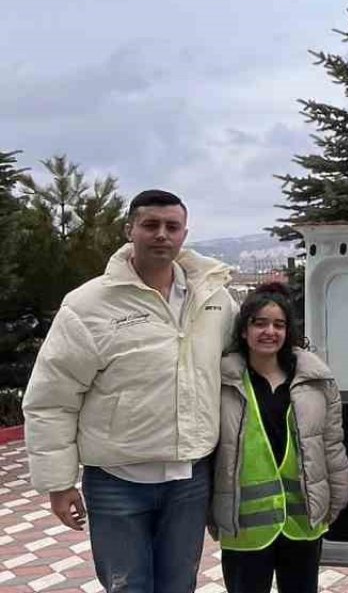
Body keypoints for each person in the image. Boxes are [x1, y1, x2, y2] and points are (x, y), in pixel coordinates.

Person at [23, 190, 238, 593]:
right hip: (116, 483)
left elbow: (241, 365)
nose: (162, 234)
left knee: (179, 586)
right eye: (150, 225)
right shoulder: (89, 305)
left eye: (172, 226)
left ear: (184, 233)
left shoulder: (214, 300)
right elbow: (52, 400)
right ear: (129, 231)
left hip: (190, 481)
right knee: (128, 587)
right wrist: (59, 483)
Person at [211, 282, 348, 593]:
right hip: (245, 528)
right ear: (244, 330)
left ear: (288, 331)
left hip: (302, 521)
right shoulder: (222, 382)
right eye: (259, 323)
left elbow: (331, 443)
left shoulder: (316, 381)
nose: (269, 331)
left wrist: (336, 499)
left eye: (278, 324)